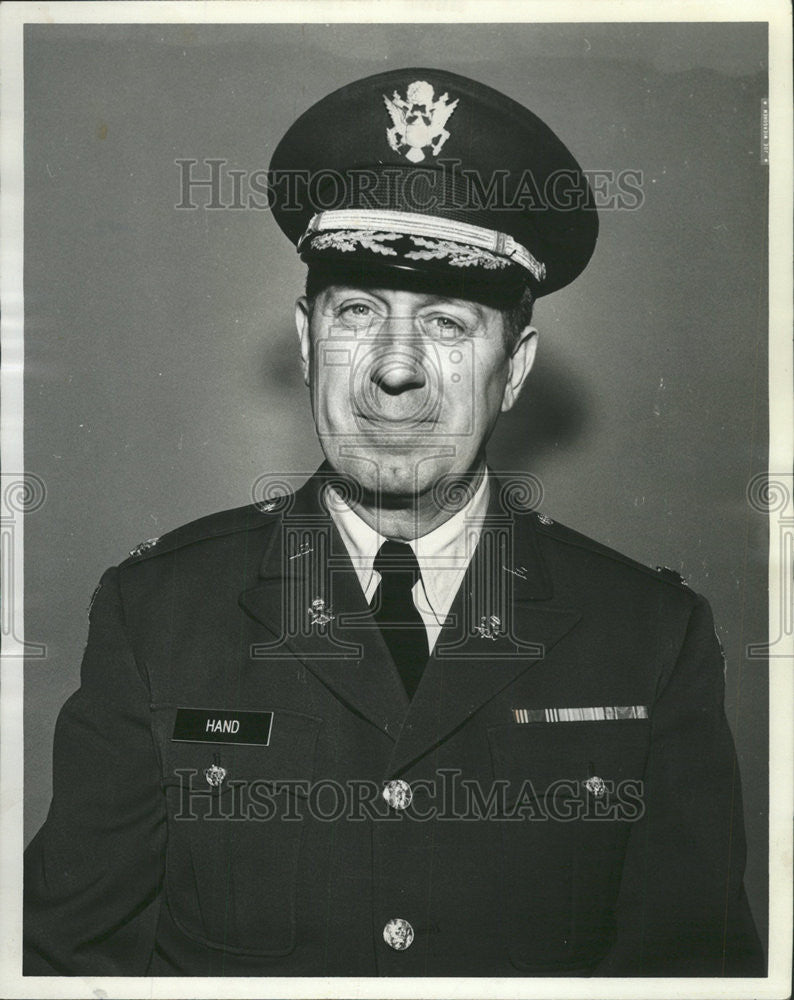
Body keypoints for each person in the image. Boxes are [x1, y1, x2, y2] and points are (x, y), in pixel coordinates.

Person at [24, 66, 763, 977]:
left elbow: (692, 976)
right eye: (359, 313)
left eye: (449, 325)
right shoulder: (157, 614)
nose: (396, 369)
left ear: (517, 368)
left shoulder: (650, 637)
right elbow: (61, 966)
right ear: (306, 343)